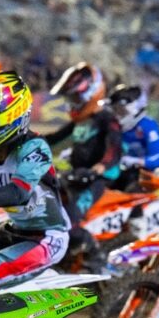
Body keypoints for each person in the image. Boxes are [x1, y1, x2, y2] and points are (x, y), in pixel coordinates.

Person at [0, 71, 71, 295]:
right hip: (13, 231)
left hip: (47, 238)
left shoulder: (34, 147)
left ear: (11, 116)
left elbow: (18, 193)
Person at [43, 62, 122, 266]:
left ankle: (97, 258)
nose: (72, 103)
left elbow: (114, 149)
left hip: (96, 180)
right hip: (75, 175)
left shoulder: (106, 118)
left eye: (75, 98)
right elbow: (54, 138)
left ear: (92, 93)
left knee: (67, 221)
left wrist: (99, 169)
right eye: (70, 99)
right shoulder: (80, 121)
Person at [107, 83, 159, 191]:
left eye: (120, 110)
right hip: (121, 174)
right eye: (115, 110)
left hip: (145, 178)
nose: (117, 115)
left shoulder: (147, 126)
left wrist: (137, 161)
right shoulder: (114, 127)